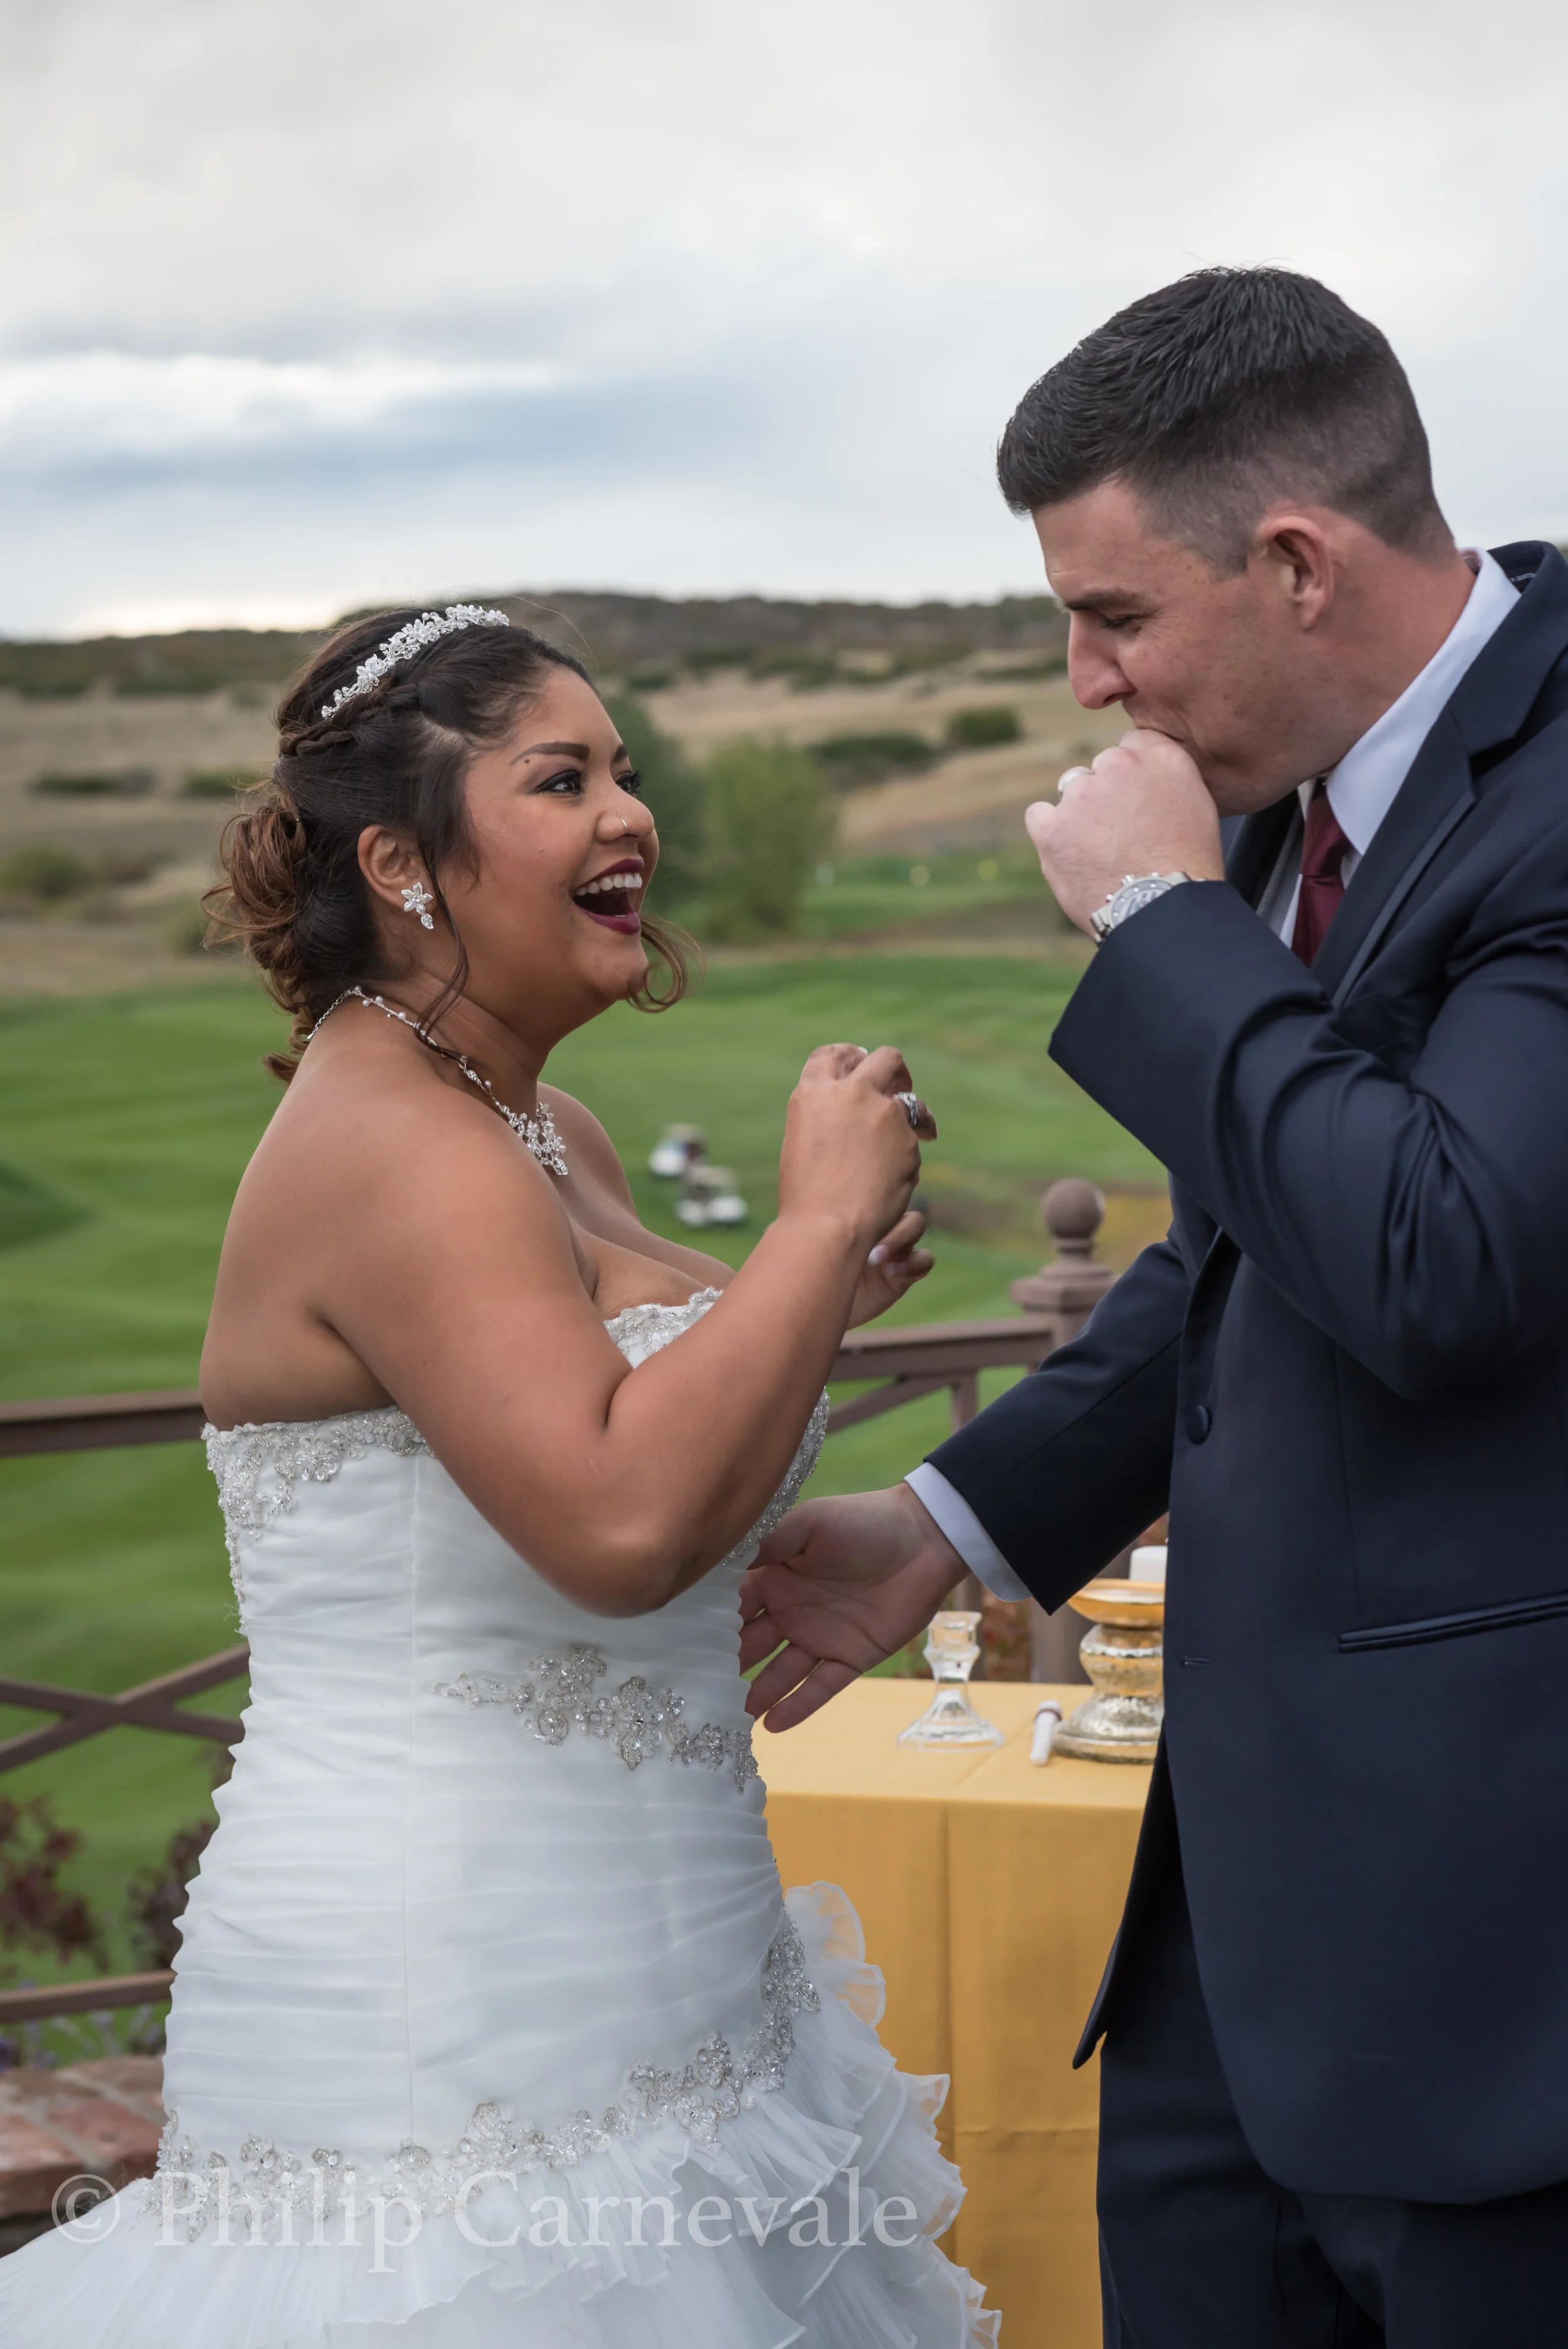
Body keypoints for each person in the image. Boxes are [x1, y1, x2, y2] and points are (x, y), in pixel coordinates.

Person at [0, 605, 997, 2346]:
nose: (632, 816)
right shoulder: (396, 1141)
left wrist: (802, 1300)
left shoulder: (544, 1130)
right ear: (400, 863)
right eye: (561, 780)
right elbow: (618, 1524)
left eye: (626, 772)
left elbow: (609, 1411)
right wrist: (811, 1228)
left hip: (680, 1962)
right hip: (457, 2005)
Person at [739, 268, 1568, 2344]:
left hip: (1505, 1966)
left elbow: (1436, 1256)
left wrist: (1157, 920)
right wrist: (939, 1531)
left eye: (1113, 614)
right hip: (1236, 1954)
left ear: (1295, 563)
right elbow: (1234, 1260)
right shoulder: (1292, 794)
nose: (1087, 681)